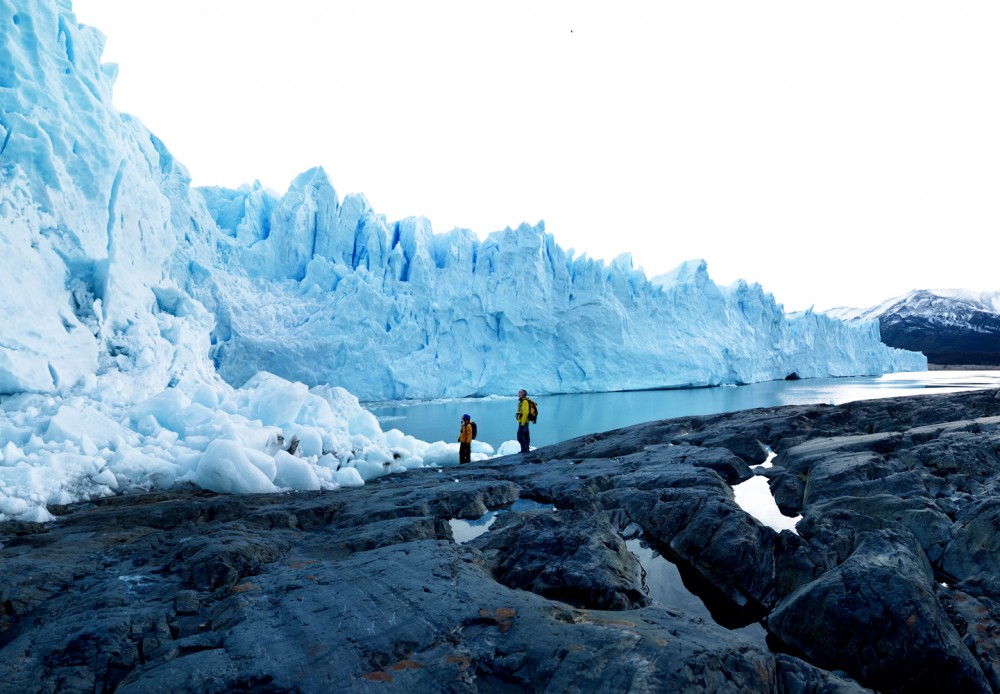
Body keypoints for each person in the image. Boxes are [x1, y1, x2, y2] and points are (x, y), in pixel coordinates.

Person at [515, 389, 531, 453]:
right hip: (524, 421)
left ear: (523, 394)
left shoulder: (524, 401)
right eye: (519, 392)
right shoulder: (522, 401)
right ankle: (526, 449)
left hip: (523, 421)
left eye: (520, 392)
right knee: (526, 435)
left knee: (520, 436)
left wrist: (523, 423)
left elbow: (526, 412)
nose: (518, 393)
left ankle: (524, 449)